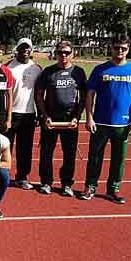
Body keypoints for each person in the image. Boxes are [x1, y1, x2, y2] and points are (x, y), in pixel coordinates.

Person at [80, 36, 131, 203]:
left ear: (128, 49)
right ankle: (90, 187)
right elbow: (90, 94)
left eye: (123, 48)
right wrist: (89, 117)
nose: (120, 51)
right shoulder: (100, 69)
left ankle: (113, 189)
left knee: (118, 160)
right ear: (112, 48)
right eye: (117, 48)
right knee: (95, 157)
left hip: (123, 124)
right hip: (100, 122)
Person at [35, 40, 87, 196]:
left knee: (69, 153)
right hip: (51, 119)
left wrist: (77, 117)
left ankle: (66, 184)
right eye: (60, 52)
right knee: (46, 152)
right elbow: (38, 95)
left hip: (70, 120)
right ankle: (46, 182)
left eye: (66, 52)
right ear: (55, 53)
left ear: (73, 53)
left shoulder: (78, 72)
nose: (63, 55)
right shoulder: (48, 71)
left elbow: (83, 97)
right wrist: (44, 116)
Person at [5, 38, 42, 190]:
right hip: (10, 113)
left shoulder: (37, 69)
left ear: (31, 50)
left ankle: (22, 177)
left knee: (25, 148)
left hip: (29, 114)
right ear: (17, 49)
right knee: (6, 147)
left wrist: (40, 113)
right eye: (22, 47)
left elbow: (40, 94)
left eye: (28, 48)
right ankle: (3, 175)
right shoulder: (8, 67)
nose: (25, 50)